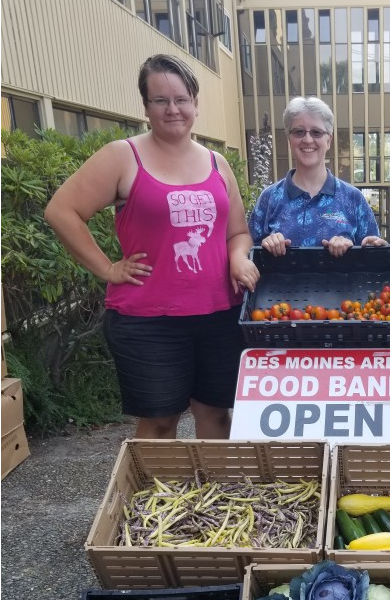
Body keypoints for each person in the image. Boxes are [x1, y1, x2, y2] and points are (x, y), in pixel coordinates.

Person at [44, 54, 259, 440]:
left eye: (182, 99)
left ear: (196, 103)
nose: (173, 109)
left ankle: (214, 500)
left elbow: (237, 232)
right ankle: (160, 502)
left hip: (219, 315)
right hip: (148, 321)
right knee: (160, 424)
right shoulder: (122, 156)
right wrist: (107, 268)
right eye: (161, 100)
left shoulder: (217, 164)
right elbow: (62, 211)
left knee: (218, 417)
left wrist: (238, 259)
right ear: (145, 107)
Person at [248, 96, 387, 256]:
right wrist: (265, 247)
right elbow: (248, 257)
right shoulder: (269, 198)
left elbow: (376, 263)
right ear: (289, 139)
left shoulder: (353, 199)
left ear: (329, 140)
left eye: (316, 132)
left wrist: (364, 249)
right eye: (299, 132)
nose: (307, 140)